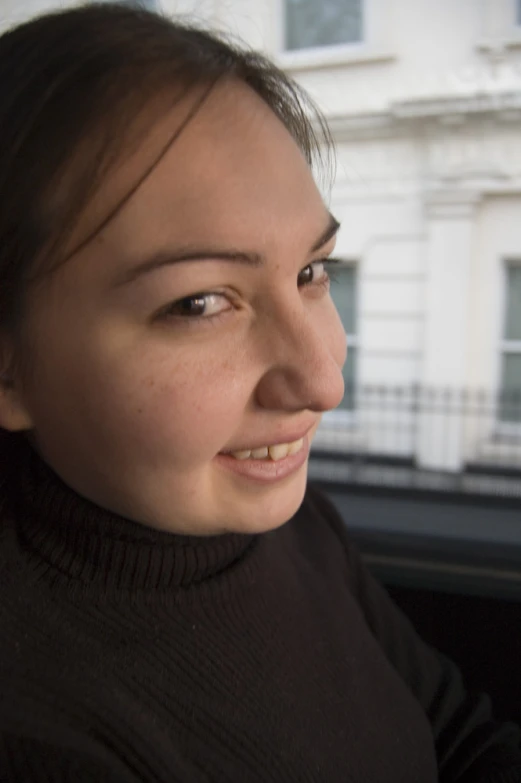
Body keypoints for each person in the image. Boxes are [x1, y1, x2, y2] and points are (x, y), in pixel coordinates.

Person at [0, 3, 519, 781]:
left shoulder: (292, 523)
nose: (323, 381)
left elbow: (453, 730)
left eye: (313, 272)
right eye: (200, 302)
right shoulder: (37, 729)